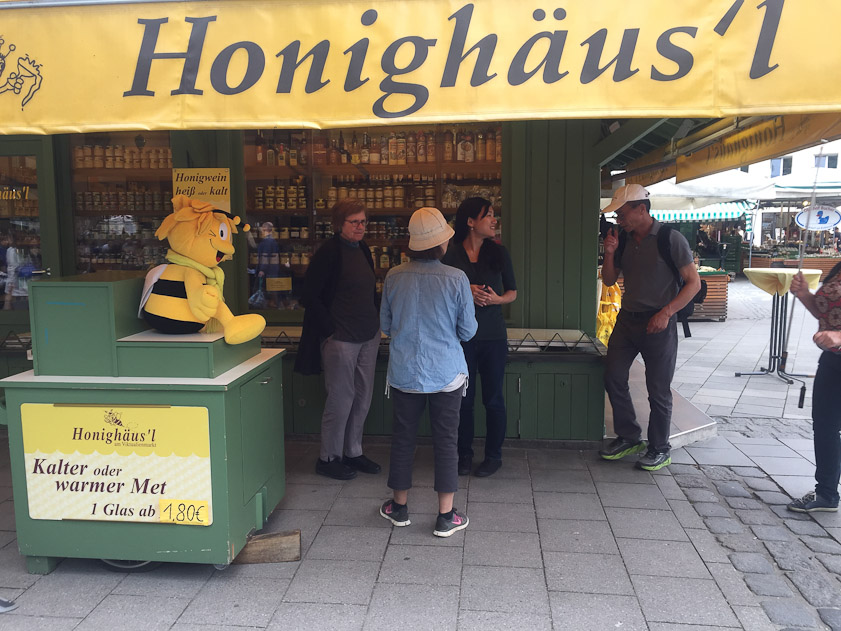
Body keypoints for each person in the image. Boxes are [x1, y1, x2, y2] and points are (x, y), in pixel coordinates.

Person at [379, 207, 477, 537]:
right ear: (442, 243)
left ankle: (399, 508)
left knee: (403, 438)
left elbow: (386, 326)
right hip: (447, 373)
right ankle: (446, 516)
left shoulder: (393, 276)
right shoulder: (457, 279)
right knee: (447, 442)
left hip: (405, 371)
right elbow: (468, 331)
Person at [599, 184, 701, 471]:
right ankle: (629, 436)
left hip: (659, 322)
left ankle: (659, 447)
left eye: (622, 213)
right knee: (613, 376)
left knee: (658, 389)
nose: (618, 218)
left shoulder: (671, 238)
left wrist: (666, 313)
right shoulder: (624, 238)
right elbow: (608, 280)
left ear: (641, 209)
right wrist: (609, 253)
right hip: (628, 319)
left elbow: (694, 283)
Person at [294, 199, 381, 480]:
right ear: (339, 224)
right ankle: (329, 457)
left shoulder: (363, 249)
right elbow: (309, 296)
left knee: (363, 397)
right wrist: (330, 329)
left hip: (368, 335)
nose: (360, 227)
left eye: (363, 221)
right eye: (353, 222)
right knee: (341, 398)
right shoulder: (329, 252)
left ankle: (352, 451)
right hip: (342, 338)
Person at [442, 197, 517, 477]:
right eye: (488, 215)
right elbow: (440, 293)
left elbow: (513, 292)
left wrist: (496, 299)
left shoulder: (499, 252)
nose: (494, 220)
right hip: (460, 338)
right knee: (464, 399)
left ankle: (494, 456)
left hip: (493, 337)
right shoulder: (450, 255)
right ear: (471, 222)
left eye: (494, 215)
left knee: (494, 399)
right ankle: (463, 455)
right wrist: (465, 291)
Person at [786, 266, 841, 513]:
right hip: (833, 359)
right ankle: (826, 493)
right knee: (825, 426)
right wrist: (805, 294)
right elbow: (824, 312)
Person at [256, 222, 280, 307]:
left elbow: (265, 257)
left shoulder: (267, 241)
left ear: (266, 230)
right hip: (273, 268)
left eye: (263, 230)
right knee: (272, 286)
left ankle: (274, 304)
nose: (262, 232)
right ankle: (275, 303)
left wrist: (262, 269)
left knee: (271, 287)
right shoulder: (272, 241)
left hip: (269, 269)